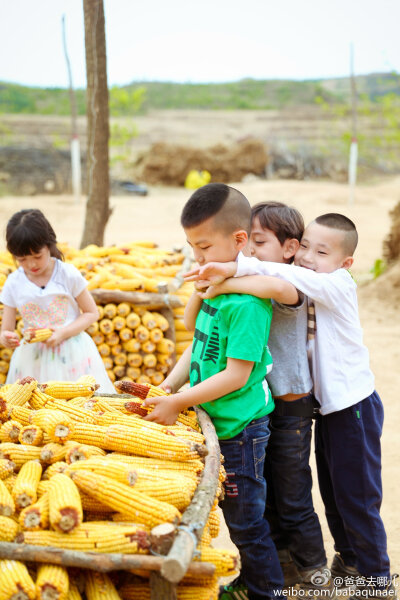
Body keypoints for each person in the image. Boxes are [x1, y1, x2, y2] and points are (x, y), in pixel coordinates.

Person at [185, 213, 396, 596]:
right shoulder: (309, 282)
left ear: (346, 263)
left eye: (322, 251)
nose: (308, 257)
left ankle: (376, 580)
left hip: (355, 408)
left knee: (357, 497)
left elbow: (291, 280)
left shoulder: (337, 284)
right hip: (328, 409)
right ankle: (348, 563)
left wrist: (232, 270)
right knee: (334, 494)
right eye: (306, 247)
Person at [143, 183, 298, 600]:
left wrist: (178, 402)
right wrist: (167, 385)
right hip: (217, 418)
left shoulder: (247, 305)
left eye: (205, 247)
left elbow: (234, 375)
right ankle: (253, 582)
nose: (198, 258)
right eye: (193, 248)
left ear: (239, 240)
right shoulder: (218, 288)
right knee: (240, 518)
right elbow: (197, 340)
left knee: (246, 520)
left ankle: (266, 590)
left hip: (241, 428)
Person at [185, 201, 328, 591]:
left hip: (290, 405)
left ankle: (316, 577)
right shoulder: (252, 280)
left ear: (289, 248)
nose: (250, 254)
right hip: (262, 404)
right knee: (267, 497)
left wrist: (223, 279)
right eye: (248, 243)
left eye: (258, 243)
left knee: (292, 497)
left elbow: (275, 285)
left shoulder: (288, 281)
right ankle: (279, 572)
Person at [0, 209, 115, 393]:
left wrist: (62, 333)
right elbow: (6, 329)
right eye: (22, 259)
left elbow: (92, 313)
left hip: (72, 352)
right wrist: (6, 338)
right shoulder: (14, 283)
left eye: (37, 256)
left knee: (81, 406)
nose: (31, 265)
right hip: (32, 357)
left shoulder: (67, 274)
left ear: (49, 245)